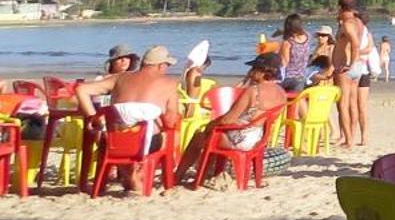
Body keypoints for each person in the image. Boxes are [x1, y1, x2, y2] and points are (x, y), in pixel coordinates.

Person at [73, 46, 182, 182]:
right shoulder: (169, 83)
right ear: (160, 66)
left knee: (118, 141)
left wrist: (94, 118)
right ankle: (138, 176)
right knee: (174, 136)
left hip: (114, 142)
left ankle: (130, 175)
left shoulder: (119, 78)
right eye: (167, 65)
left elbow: (81, 89)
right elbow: (171, 121)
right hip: (147, 143)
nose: (167, 69)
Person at [179, 55, 288, 184]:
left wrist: (211, 125)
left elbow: (228, 120)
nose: (250, 71)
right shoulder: (281, 92)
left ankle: (179, 175)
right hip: (259, 138)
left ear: (262, 71)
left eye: (253, 68)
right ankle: (205, 174)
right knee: (214, 134)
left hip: (240, 140)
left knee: (200, 137)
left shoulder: (253, 91)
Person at [331, 0, 379, 149]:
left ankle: (349, 140)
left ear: (341, 7)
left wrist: (350, 63)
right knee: (352, 104)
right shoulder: (358, 22)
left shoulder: (348, 24)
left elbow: (355, 44)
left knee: (344, 105)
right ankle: (350, 136)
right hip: (357, 67)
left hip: (347, 67)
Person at [274, 14, 313, 94]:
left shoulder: (288, 42)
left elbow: (284, 63)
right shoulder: (308, 36)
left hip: (289, 78)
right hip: (302, 76)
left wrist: (276, 53)